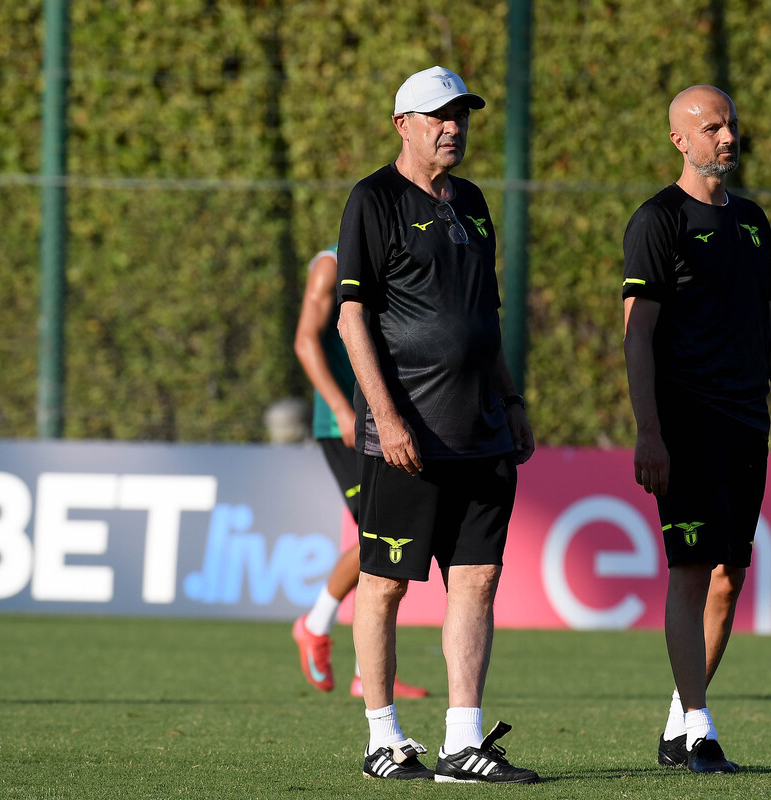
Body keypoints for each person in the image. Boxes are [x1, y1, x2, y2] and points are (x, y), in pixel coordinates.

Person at [335, 65, 538, 784]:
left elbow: (485, 319)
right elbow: (351, 314)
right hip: (408, 436)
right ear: (403, 125)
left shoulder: (475, 203)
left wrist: (512, 402)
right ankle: (382, 740)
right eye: (438, 116)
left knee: (477, 583)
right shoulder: (373, 199)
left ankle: (462, 742)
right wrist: (386, 417)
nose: (453, 127)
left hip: (482, 430)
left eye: (462, 115)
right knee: (385, 584)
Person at [621, 85, 771, 775]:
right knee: (687, 571)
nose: (727, 136)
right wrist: (648, 430)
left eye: (731, 123)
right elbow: (636, 334)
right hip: (684, 424)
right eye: (711, 127)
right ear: (681, 139)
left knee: (729, 577)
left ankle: (681, 724)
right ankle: (702, 729)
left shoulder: (754, 222)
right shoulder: (657, 221)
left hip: (745, 427)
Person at [290, 245, 429, 700]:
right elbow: (305, 339)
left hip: (384, 417)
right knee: (380, 534)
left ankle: (364, 672)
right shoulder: (331, 264)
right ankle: (314, 625)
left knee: (389, 542)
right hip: (344, 425)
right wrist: (337, 407)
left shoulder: (392, 262)